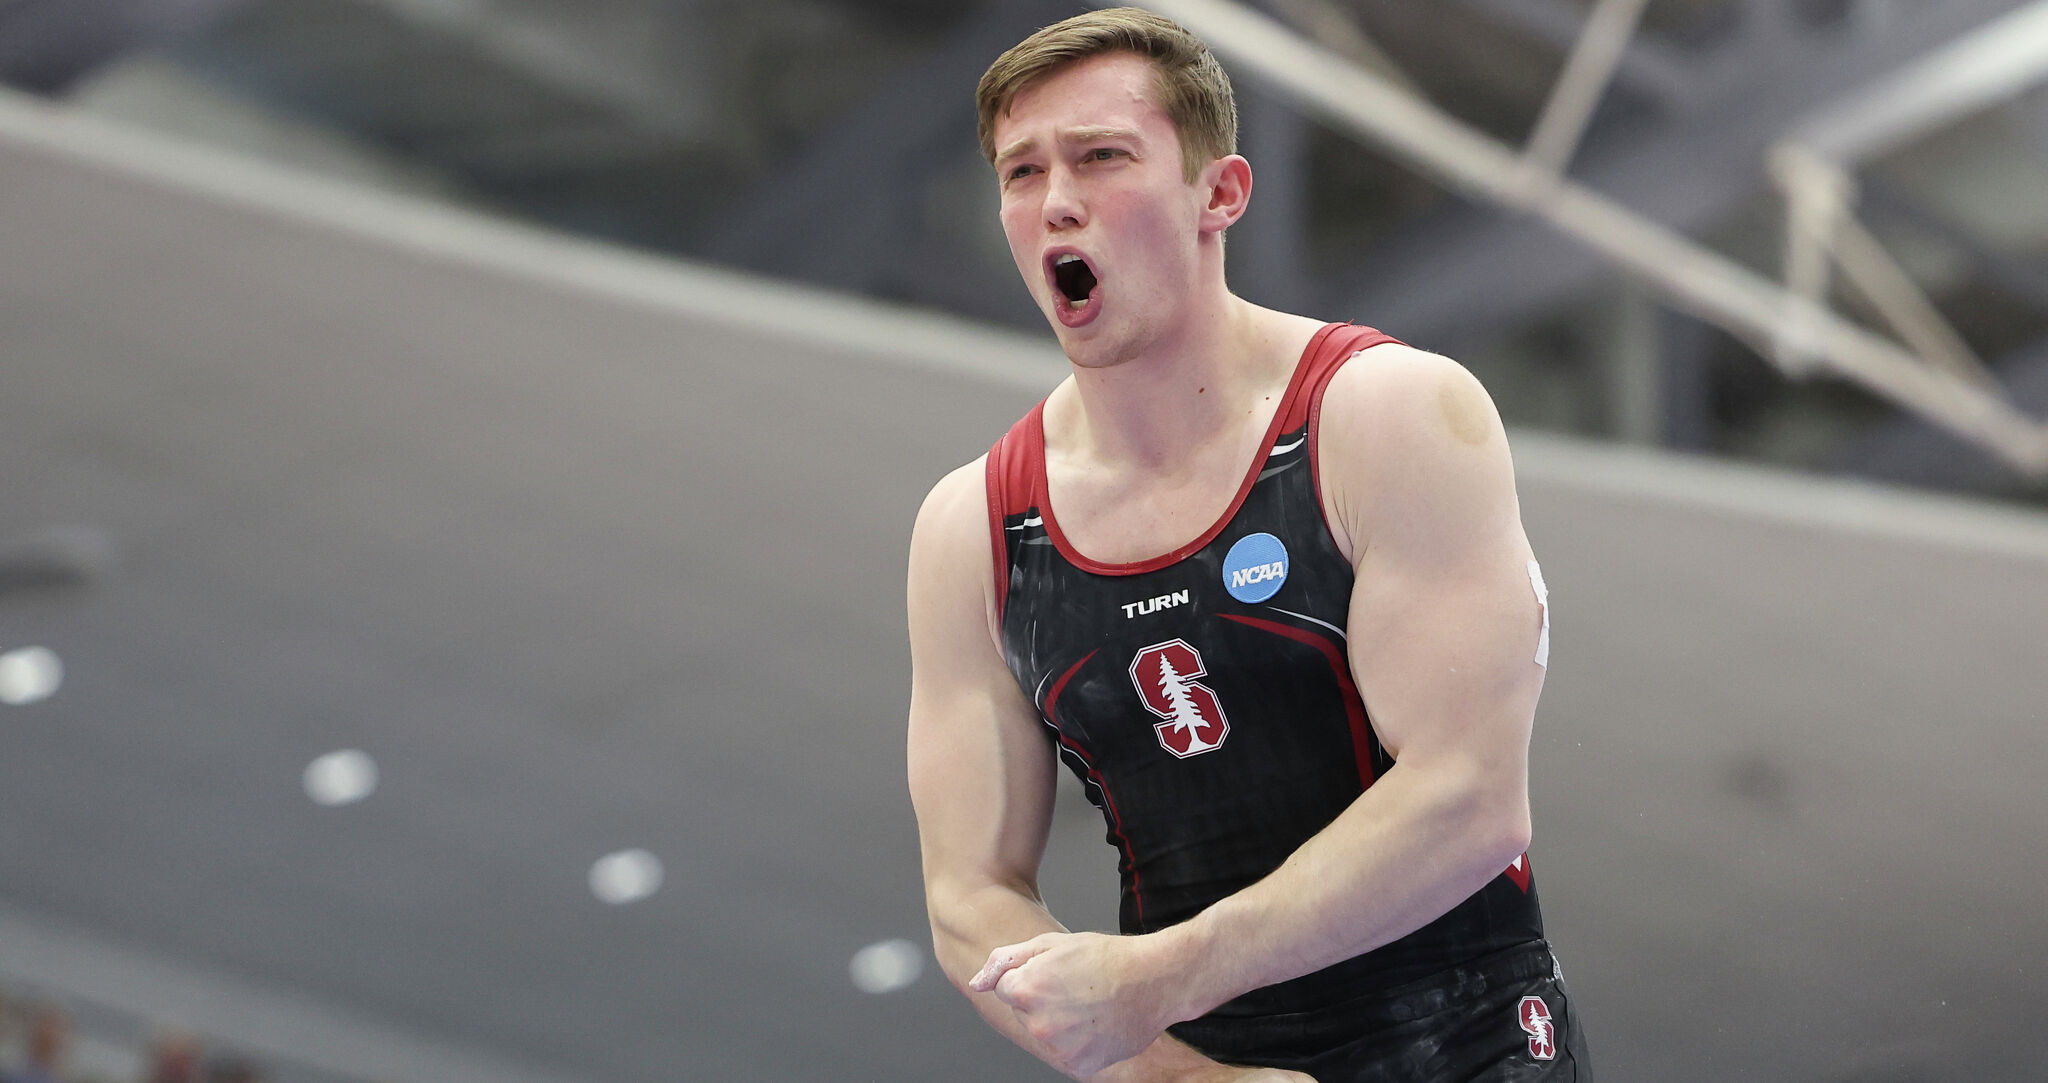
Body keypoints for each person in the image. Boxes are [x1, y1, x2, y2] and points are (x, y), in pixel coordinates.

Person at [905, 8, 1590, 1082]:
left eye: (1100, 157)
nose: (1057, 204)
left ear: (1217, 195)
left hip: (1467, 1050)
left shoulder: (1385, 417)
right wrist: (1173, 1075)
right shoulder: (974, 529)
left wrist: (1156, 977)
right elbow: (966, 894)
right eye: (1021, 174)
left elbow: (1467, 799)